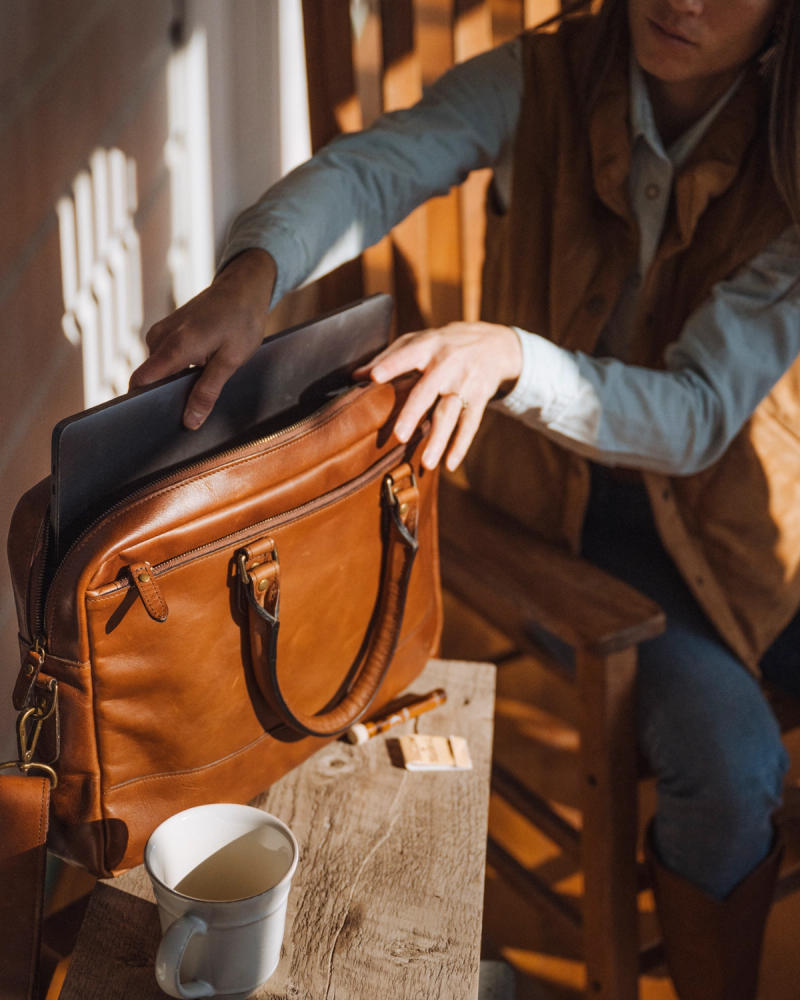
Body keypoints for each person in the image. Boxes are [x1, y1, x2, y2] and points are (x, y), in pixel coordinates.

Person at [130, 0, 800, 995]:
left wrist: (511, 358)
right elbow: (373, 168)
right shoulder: (544, 74)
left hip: (744, 524)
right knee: (730, 761)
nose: (685, 0)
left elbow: (698, 415)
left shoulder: (789, 153)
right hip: (563, 525)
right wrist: (250, 278)